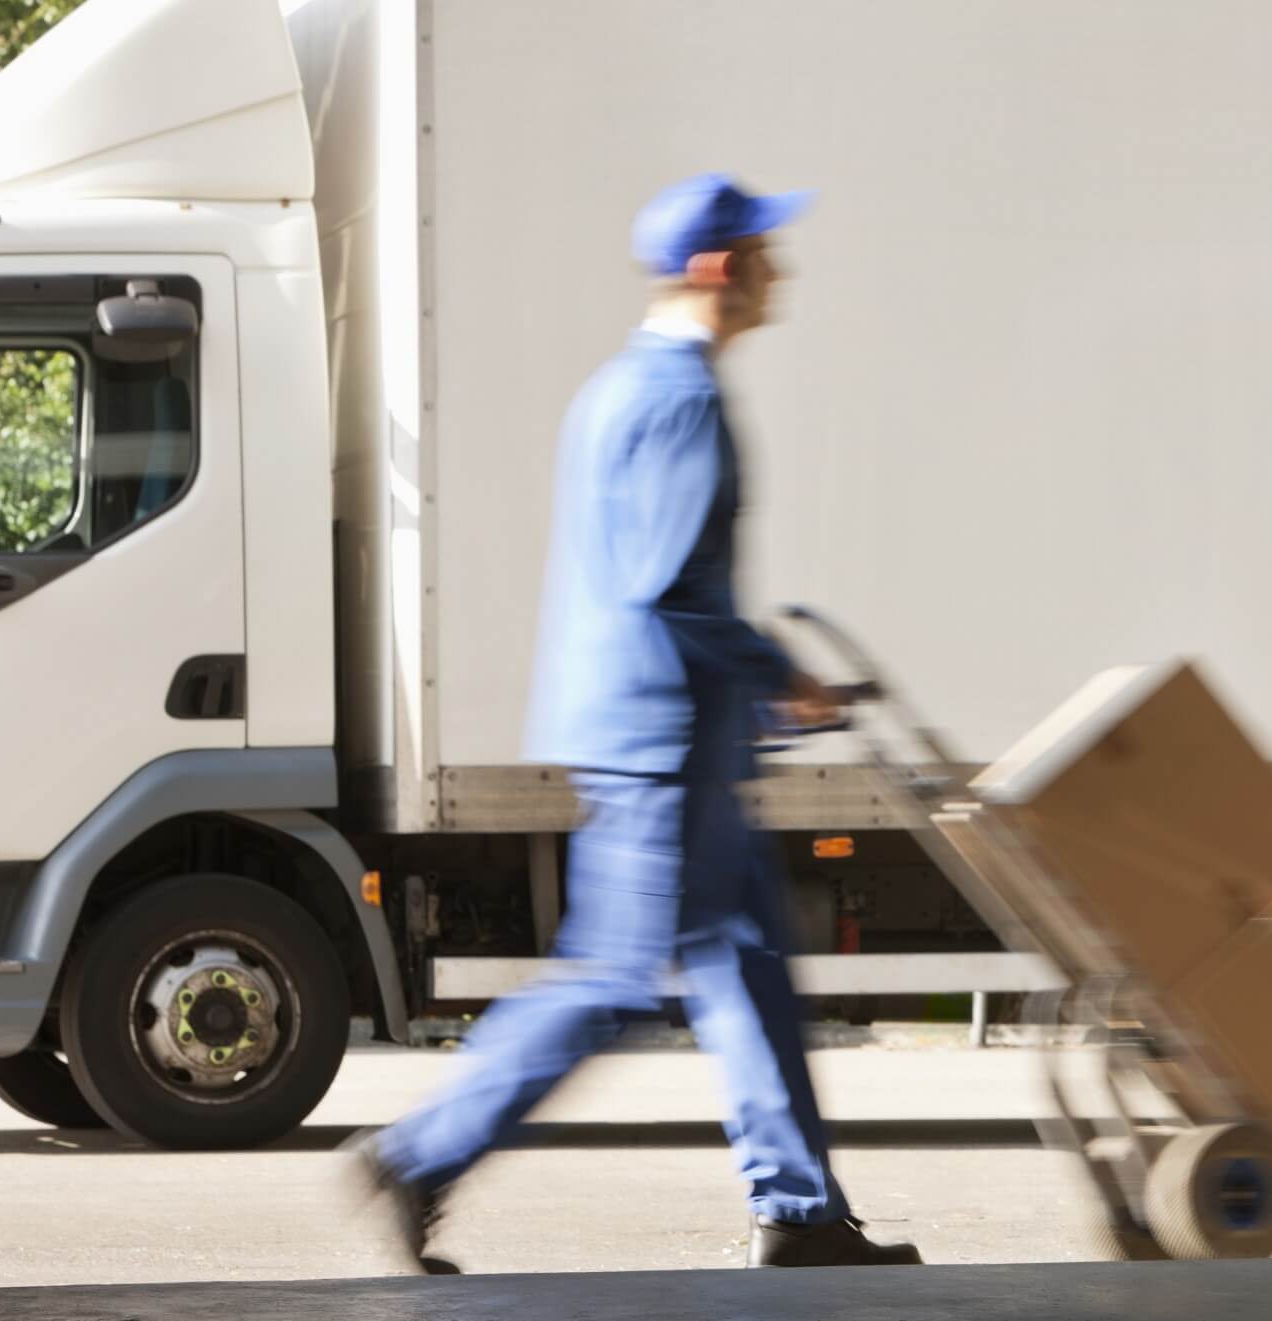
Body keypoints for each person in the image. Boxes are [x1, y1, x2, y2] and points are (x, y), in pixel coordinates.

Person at [350, 173, 921, 1273]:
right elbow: (665, 588)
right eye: (766, 251)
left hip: (675, 743)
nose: (779, 272)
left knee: (749, 961)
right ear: (720, 267)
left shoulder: (622, 386)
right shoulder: (678, 399)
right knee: (613, 982)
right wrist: (782, 674)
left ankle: (799, 1210)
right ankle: (420, 1152)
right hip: (660, 747)